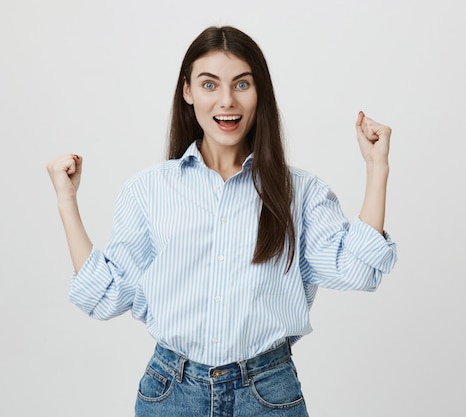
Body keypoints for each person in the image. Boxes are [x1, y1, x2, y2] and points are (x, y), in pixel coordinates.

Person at [47, 25, 396, 417]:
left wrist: (376, 168)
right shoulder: (148, 190)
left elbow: (360, 270)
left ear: (259, 91)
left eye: (242, 84)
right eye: (209, 84)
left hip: (268, 393)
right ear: (188, 92)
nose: (226, 101)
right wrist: (66, 201)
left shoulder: (300, 192)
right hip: (171, 393)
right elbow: (105, 296)